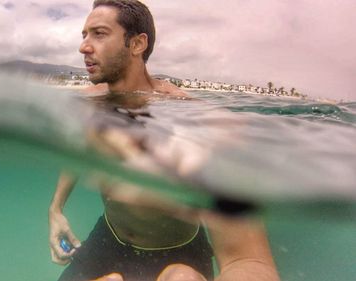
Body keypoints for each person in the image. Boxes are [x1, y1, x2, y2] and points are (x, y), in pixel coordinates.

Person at [49, 1, 280, 280]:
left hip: (179, 251)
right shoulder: (88, 104)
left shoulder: (195, 119)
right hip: (109, 237)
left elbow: (248, 259)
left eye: (98, 33)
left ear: (137, 44)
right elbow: (81, 145)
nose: (83, 47)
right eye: (83, 35)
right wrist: (56, 209)